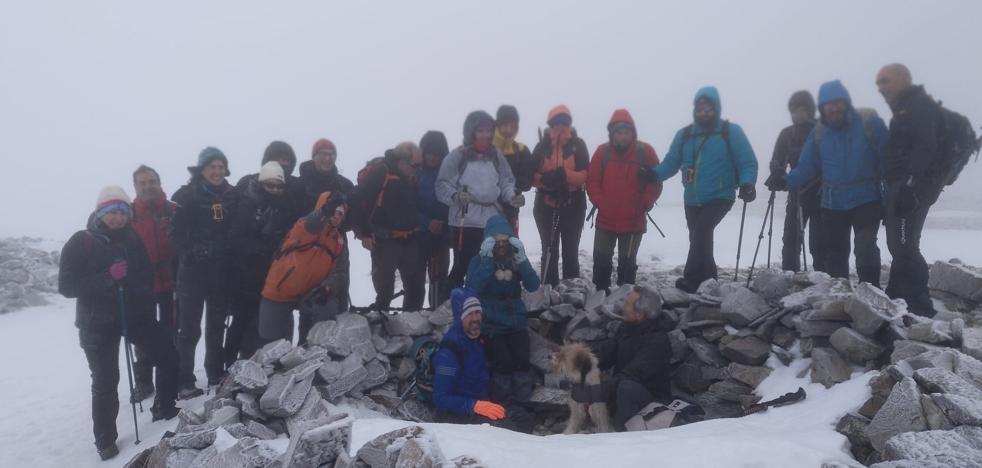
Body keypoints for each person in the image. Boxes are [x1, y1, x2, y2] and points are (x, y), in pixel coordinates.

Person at [59, 186, 180, 460]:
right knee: (105, 380)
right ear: (100, 213)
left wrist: (132, 287)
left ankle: (165, 405)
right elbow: (66, 286)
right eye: (110, 212)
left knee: (166, 352)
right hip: (96, 323)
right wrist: (108, 278)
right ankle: (105, 440)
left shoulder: (131, 238)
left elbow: (146, 275)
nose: (116, 217)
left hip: (133, 315)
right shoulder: (82, 241)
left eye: (121, 211)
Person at [644, 86, 759, 293]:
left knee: (702, 232)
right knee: (698, 238)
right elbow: (671, 162)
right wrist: (653, 175)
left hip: (720, 196)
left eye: (708, 109)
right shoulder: (686, 135)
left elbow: (747, 161)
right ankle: (709, 280)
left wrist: (747, 183)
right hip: (692, 198)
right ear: (694, 110)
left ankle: (691, 279)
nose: (704, 113)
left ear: (717, 109)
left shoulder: (729, 132)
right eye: (700, 109)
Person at [779, 80, 888, 285]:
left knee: (865, 247)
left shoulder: (867, 121)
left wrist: (891, 196)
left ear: (846, 102)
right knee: (836, 252)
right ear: (822, 107)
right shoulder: (820, 131)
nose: (833, 108)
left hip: (867, 198)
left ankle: (870, 291)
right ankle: (840, 295)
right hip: (833, 202)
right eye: (828, 104)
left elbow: (887, 158)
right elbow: (807, 166)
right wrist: (786, 180)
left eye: (837, 102)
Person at [877, 64, 946, 317]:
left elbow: (924, 149)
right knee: (902, 243)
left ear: (904, 79)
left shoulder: (918, 108)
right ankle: (896, 293)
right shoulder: (906, 109)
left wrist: (909, 186)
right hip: (904, 187)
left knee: (903, 245)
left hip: (911, 189)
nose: (880, 88)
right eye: (878, 83)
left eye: (885, 81)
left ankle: (920, 304)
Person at [170, 147, 239, 397]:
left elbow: (236, 228)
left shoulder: (233, 195)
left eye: (221, 167)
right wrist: (193, 250)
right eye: (212, 167)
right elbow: (175, 234)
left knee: (216, 325)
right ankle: (184, 379)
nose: (217, 171)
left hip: (221, 272)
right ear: (202, 169)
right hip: (192, 274)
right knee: (188, 329)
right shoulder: (186, 196)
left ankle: (215, 372)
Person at [436, 110, 522, 288]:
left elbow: (506, 181)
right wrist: (456, 195)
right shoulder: (458, 156)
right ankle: (454, 305)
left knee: (489, 265)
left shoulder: (496, 156)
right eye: (481, 131)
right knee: (462, 265)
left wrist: (512, 196)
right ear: (471, 131)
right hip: (464, 220)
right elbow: (442, 184)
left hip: (491, 220)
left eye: (489, 130)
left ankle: (482, 306)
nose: (486, 134)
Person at [431, 287, 534, 433]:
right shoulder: (450, 352)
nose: (475, 318)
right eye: (469, 314)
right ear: (459, 316)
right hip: (457, 414)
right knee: (508, 430)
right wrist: (474, 405)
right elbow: (440, 398)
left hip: (482, 405)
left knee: (524, 419)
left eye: (477, 312)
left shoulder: (478, 339)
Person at [226, 161, 300, 363]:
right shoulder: (247, 205)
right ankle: (234, 364)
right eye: (270, 185)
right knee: (243, 321)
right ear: (261, 184)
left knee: (267, 321)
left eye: (279, 186)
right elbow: (234, 238)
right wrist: (261, 247)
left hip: (273, 274)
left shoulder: (287, 207)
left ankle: (268, 361)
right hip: (245, 274)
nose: (275, 190)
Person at [465, 215, 541, 405]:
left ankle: (522, 405)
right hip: (492, 323)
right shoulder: (478, 261)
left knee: (522, 361)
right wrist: (486, 261)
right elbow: (473, 287)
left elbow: (533, 285)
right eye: (496, 242)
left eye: (504, 241)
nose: (500, 246)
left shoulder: (515, 260)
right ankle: (503, 406)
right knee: (503, 363)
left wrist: (523, 259)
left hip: (516, 320)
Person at [586, 109, 663, 291]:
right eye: (618, 133)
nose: (622, 137)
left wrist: (645, 201)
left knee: (627, 263)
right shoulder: (602, 152)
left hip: (633, 220)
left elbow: (656, 180)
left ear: (633, 133)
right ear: (612, 134)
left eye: (626, 132)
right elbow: (592, 180)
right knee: (601, 259)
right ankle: (600, 293)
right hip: (606, 218)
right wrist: (599, 201)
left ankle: (625, 297)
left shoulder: (645, 152)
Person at [258, 191, 349, 344]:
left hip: (312, 293)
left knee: (327, 304)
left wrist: (327, 287)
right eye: (333, 210)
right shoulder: (304, 227)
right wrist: (325, 211)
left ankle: (311, 348)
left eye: (341, 213)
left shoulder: (339, 241)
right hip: (280, 289)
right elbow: (311, 223)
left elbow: (340, 271)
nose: (337, 215)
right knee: (270, 342)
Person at [353, 142, 426, 311]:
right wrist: (364, 233)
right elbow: (357, 200)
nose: (419, 169)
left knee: (416, 289)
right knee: (384, 290)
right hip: (384, 240)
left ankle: (412, 327)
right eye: (415, 165)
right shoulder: (381, 173)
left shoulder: (411, 176)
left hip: (410, 238)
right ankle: (381, 323)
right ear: (402, 162)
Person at [129, 165, 178, 402]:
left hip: (171, 282)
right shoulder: (127, 215)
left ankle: (168, 379)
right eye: (142, 183)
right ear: (135, 187)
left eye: (151, 181)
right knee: (143, 337)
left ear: (159, 183)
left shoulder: (173, 210)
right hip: (141, 286)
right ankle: (144, 381)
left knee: (170, 333)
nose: (148, 186)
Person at [596, 286, 673, 431]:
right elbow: (606, 355)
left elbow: (633, 374)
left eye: (627, 304)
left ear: (639, 315)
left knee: (627, 388)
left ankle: (623, 436)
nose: (623, 307)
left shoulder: (658, 341)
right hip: (624, 390)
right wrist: (584, 362)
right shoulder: (627, 328)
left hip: (651, 400)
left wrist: (599, 391)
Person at [765, 91, 825, 272]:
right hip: (796, 193)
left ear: (810, 110)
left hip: (822, 195)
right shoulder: (787, 134)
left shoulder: (822, 132)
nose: (797, 115)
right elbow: (777, 159)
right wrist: (776, 173)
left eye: (801, 110)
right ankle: (789, 275)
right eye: (793, 111)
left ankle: (823, 278)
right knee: (791, 238)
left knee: (819, 241)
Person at [531, 105, 590, 286]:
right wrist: (545, 181)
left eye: (564, 122)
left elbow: (586, 174)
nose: (560, 126)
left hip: (573, 204)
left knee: (570, 252)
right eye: (556, 122)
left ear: (569, 123)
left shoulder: (578, 145)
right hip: (545, 205)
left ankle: (572, 293)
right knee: (549, 251)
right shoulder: (541, 146)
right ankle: (549, 292)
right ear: (550, 124)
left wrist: (565, 176)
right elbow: (530, 175)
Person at [417, 131, 452, 308]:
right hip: (418, 236)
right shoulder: (414, 174)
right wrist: (427, 223)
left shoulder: (450, 175)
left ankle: (439, 318)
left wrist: (442, 223)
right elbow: (407, 206)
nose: (432, 157)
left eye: (437, 153)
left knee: (440, 280)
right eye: (429, 152)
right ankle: (412, 320)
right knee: (415, 282)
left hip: (442, 236)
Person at [493, 105, 535, 234]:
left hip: (511, 210)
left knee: (510, 248)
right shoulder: (487, 149)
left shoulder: (521, 150)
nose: (508, 130)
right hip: (485, 209)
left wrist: (509, 185)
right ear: (497, 125)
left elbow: (527, 183)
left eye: (512, 126)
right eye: (505, 125)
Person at [235, 140, 302, 207]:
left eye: (285, 160)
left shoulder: (299, 187)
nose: (280, 163)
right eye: (275, 159)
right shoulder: (247, 183)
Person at [298, 138, 355, 214]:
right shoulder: (299, 184)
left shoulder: (345, 185)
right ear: (314, 157)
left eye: (331, 155)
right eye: (323, 154)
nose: (327, 158)